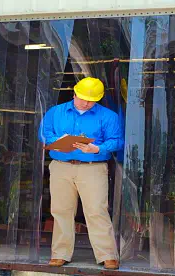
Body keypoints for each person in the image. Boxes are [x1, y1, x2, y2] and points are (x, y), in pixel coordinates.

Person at [38, 77, 124, 270]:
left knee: (96, 211)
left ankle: (107, 255)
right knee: (61, 210)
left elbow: (117, 141)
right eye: (83, 98)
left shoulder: (108, 116)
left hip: (93, 167)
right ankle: (60, 253)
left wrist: (97, 149)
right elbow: (44, 133)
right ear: (74, 93)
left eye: (91, 100)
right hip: (61, 165)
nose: (86, 103)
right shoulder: (56, 112)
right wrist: (57, 141)